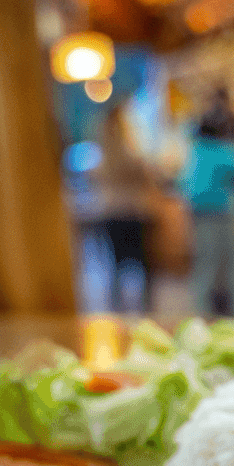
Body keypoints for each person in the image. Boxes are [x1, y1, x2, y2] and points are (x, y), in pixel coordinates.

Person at [183, 99, 234, 317]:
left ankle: (203, 311)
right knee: (229, 262)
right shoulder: (225, 152)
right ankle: (230, 313)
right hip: (221, 211)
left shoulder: (196, 150)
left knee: (206, 260)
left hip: (198, 211)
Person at [93, 105, 155, 312]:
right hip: (131, 212)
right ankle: (144, 309)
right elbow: (143, 172)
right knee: (142, 265)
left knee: (116, 267)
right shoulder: (126, 150)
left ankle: (116, 309)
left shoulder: (102, 151)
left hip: (111, 211)